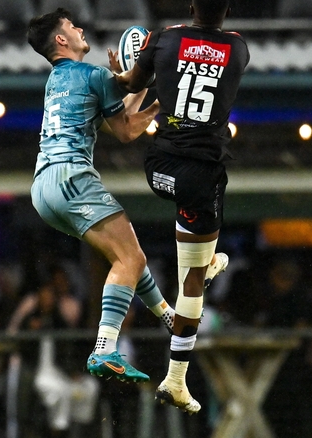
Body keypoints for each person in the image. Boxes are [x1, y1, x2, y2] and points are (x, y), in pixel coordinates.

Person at [27, 8, 205, 383]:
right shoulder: (91, 75)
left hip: (44, 188)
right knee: (128, 258)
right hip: (72, 176)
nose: (78, 28)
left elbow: (124, 128)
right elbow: (127, 108)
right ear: (61, 39)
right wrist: (140, 74)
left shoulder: (60, 80)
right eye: (72, 26)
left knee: (130, 255)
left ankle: (168, 318)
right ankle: (105, 347)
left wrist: (145, 95)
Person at [111, 0, 247, 413]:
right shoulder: (237, 48)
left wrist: (122, 68)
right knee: (192, 283)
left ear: (190, 5)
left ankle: (206, 264)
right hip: (200, 179)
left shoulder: (165, 39)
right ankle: (175, 380)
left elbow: (129, 84)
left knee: (199, 256)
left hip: (158, 169)